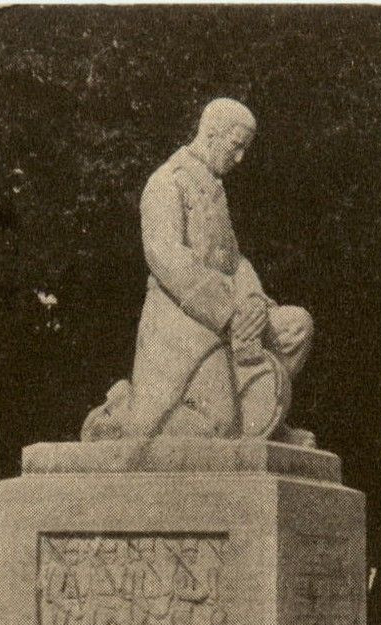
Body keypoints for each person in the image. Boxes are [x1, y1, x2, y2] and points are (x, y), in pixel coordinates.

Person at [81, 98, 314, 445]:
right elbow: (166, 257)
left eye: (244, 149)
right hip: (185, 321)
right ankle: (122, 415)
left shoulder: (215, 190)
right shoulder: (166, 182)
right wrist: (230, 313)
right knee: (217, 429)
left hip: (229, 313)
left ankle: (266, 421)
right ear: (211, 134)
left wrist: (252, 301)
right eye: (236, 147)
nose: (240, 159)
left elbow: (235, 261)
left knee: (295, 325)